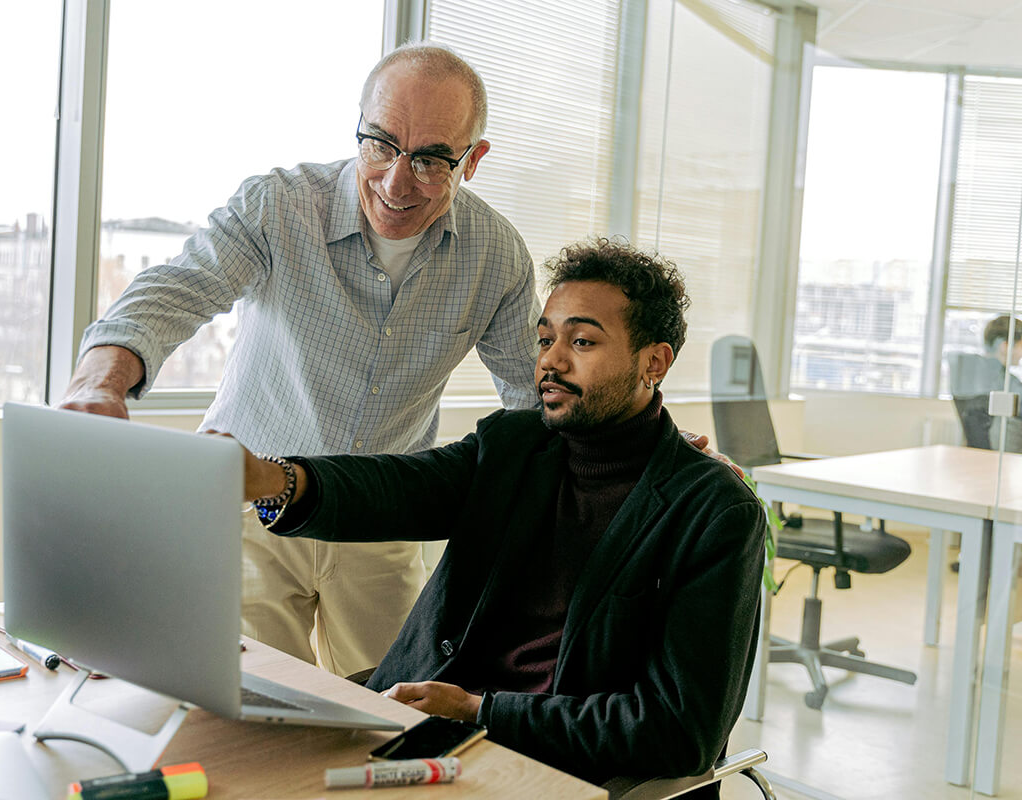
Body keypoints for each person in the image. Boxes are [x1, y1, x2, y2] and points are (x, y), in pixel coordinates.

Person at [59, 43, 541, 678]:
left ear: (472, 161)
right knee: (245, 710)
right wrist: (101, 380)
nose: (396, 182)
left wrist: (652, 450)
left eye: (429, 160)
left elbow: (537, 396)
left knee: (391, 718)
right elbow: (175, 289)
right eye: (381, 145)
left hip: (381, 521)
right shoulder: (280, 205)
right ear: (359, 127)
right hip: (247, 506)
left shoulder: (496, 257)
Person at [229, 238, 766, 791]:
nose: (551, 361)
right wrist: (275, 480)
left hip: (554, 765)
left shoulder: (713, 510)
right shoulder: (512, 444)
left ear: (653, 362)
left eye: (581, 341)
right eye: (545, 339)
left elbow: (679, 729)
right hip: (435, 727)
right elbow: (401, 486)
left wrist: (480, 709)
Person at [949, 315, 1022, 452]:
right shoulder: (1007, 385)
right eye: (1021, 346)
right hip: (1003, 459)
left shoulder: (967, 373)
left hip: (978, 456)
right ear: (1005, 346)